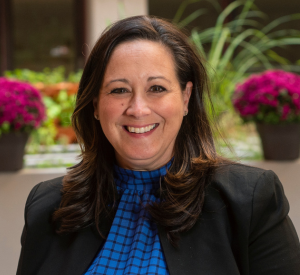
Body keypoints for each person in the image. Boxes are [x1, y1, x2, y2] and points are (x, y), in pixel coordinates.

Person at [17, 15, 300, 275]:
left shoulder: (250, 200)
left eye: (157, 88)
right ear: (95, 104)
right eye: (119, 90)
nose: (138, 109)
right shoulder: (47, 206)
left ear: (186, 98)